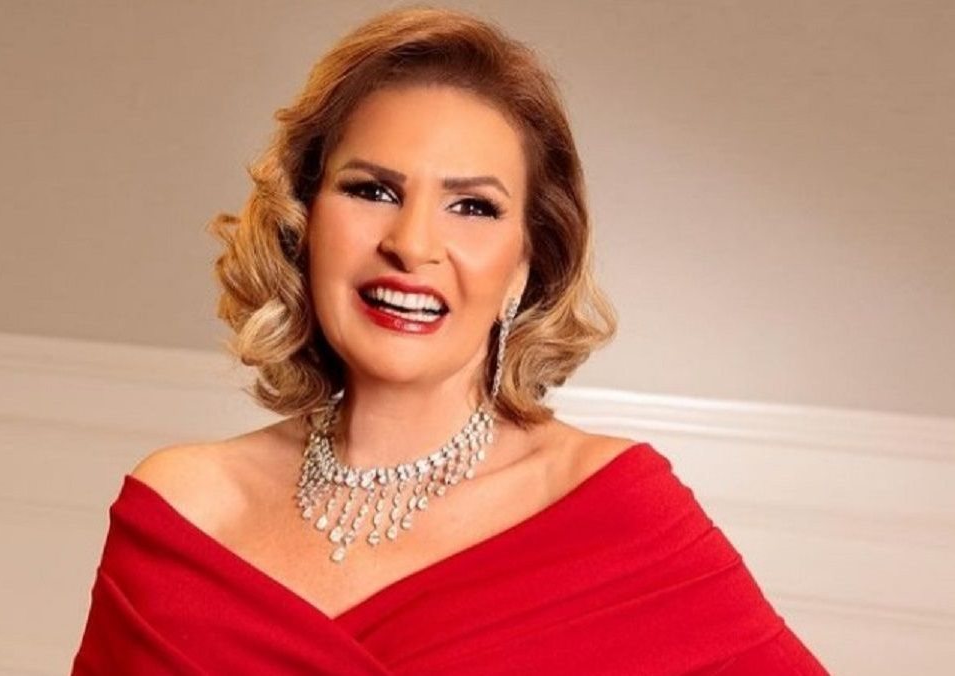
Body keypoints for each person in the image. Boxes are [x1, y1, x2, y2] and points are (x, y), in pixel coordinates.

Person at [71, 6, 828, 675]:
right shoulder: (184, 512)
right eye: (372, 191)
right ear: (304, 223)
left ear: (525, 262)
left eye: (472, 207)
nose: (412, 244)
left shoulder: (615, 513)